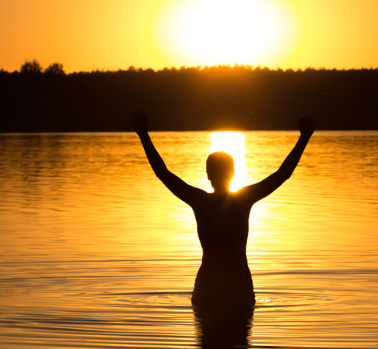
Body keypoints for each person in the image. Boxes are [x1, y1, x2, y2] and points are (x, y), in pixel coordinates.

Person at [131, 111, 315, 312]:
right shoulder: (243, 200)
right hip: (238, 285)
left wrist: (143, 135)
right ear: (234, 173)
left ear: (207, 174)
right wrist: (304, 137)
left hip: (208, 286)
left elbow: (163, 173)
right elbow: (283, 174)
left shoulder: (200, 201)